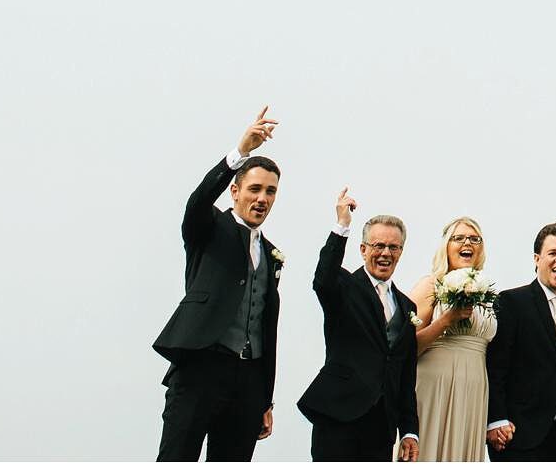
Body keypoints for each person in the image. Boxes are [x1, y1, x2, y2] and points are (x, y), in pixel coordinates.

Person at [155, 107, 288, 461]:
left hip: (248, 380)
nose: (262, 198)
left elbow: (265, 325)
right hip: (201, 368)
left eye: (271, 192)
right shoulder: (209, 228)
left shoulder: (272, 252)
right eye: (255, 189)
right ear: (235, 191)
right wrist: (240, 151)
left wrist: (265, 398)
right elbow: (197, 201)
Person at [297, 189, 421, 460]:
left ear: (401, 251)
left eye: (393, 247)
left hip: (381, 426)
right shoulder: (343, 286)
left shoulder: (408, 307)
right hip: (339, 415)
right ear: (363, 249)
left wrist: (410, 430)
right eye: (378, 246)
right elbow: (323, 279)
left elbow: (405, 374)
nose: (385, 253)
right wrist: (341, 225)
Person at [486, 223, 556, 462]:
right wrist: (496, 419)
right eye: (552, 253)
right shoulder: (512, 302)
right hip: (516, 435)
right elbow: (495, 367)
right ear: (537, 258)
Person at [408, 217, 496, 461]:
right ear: (446, 245)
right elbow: (404, 346)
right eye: (459, 238)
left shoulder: (486, 294)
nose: (467, 243)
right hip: (435, 386)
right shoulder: (430, 285)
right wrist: (446, 320)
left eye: (474, 238)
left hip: (474, 390)